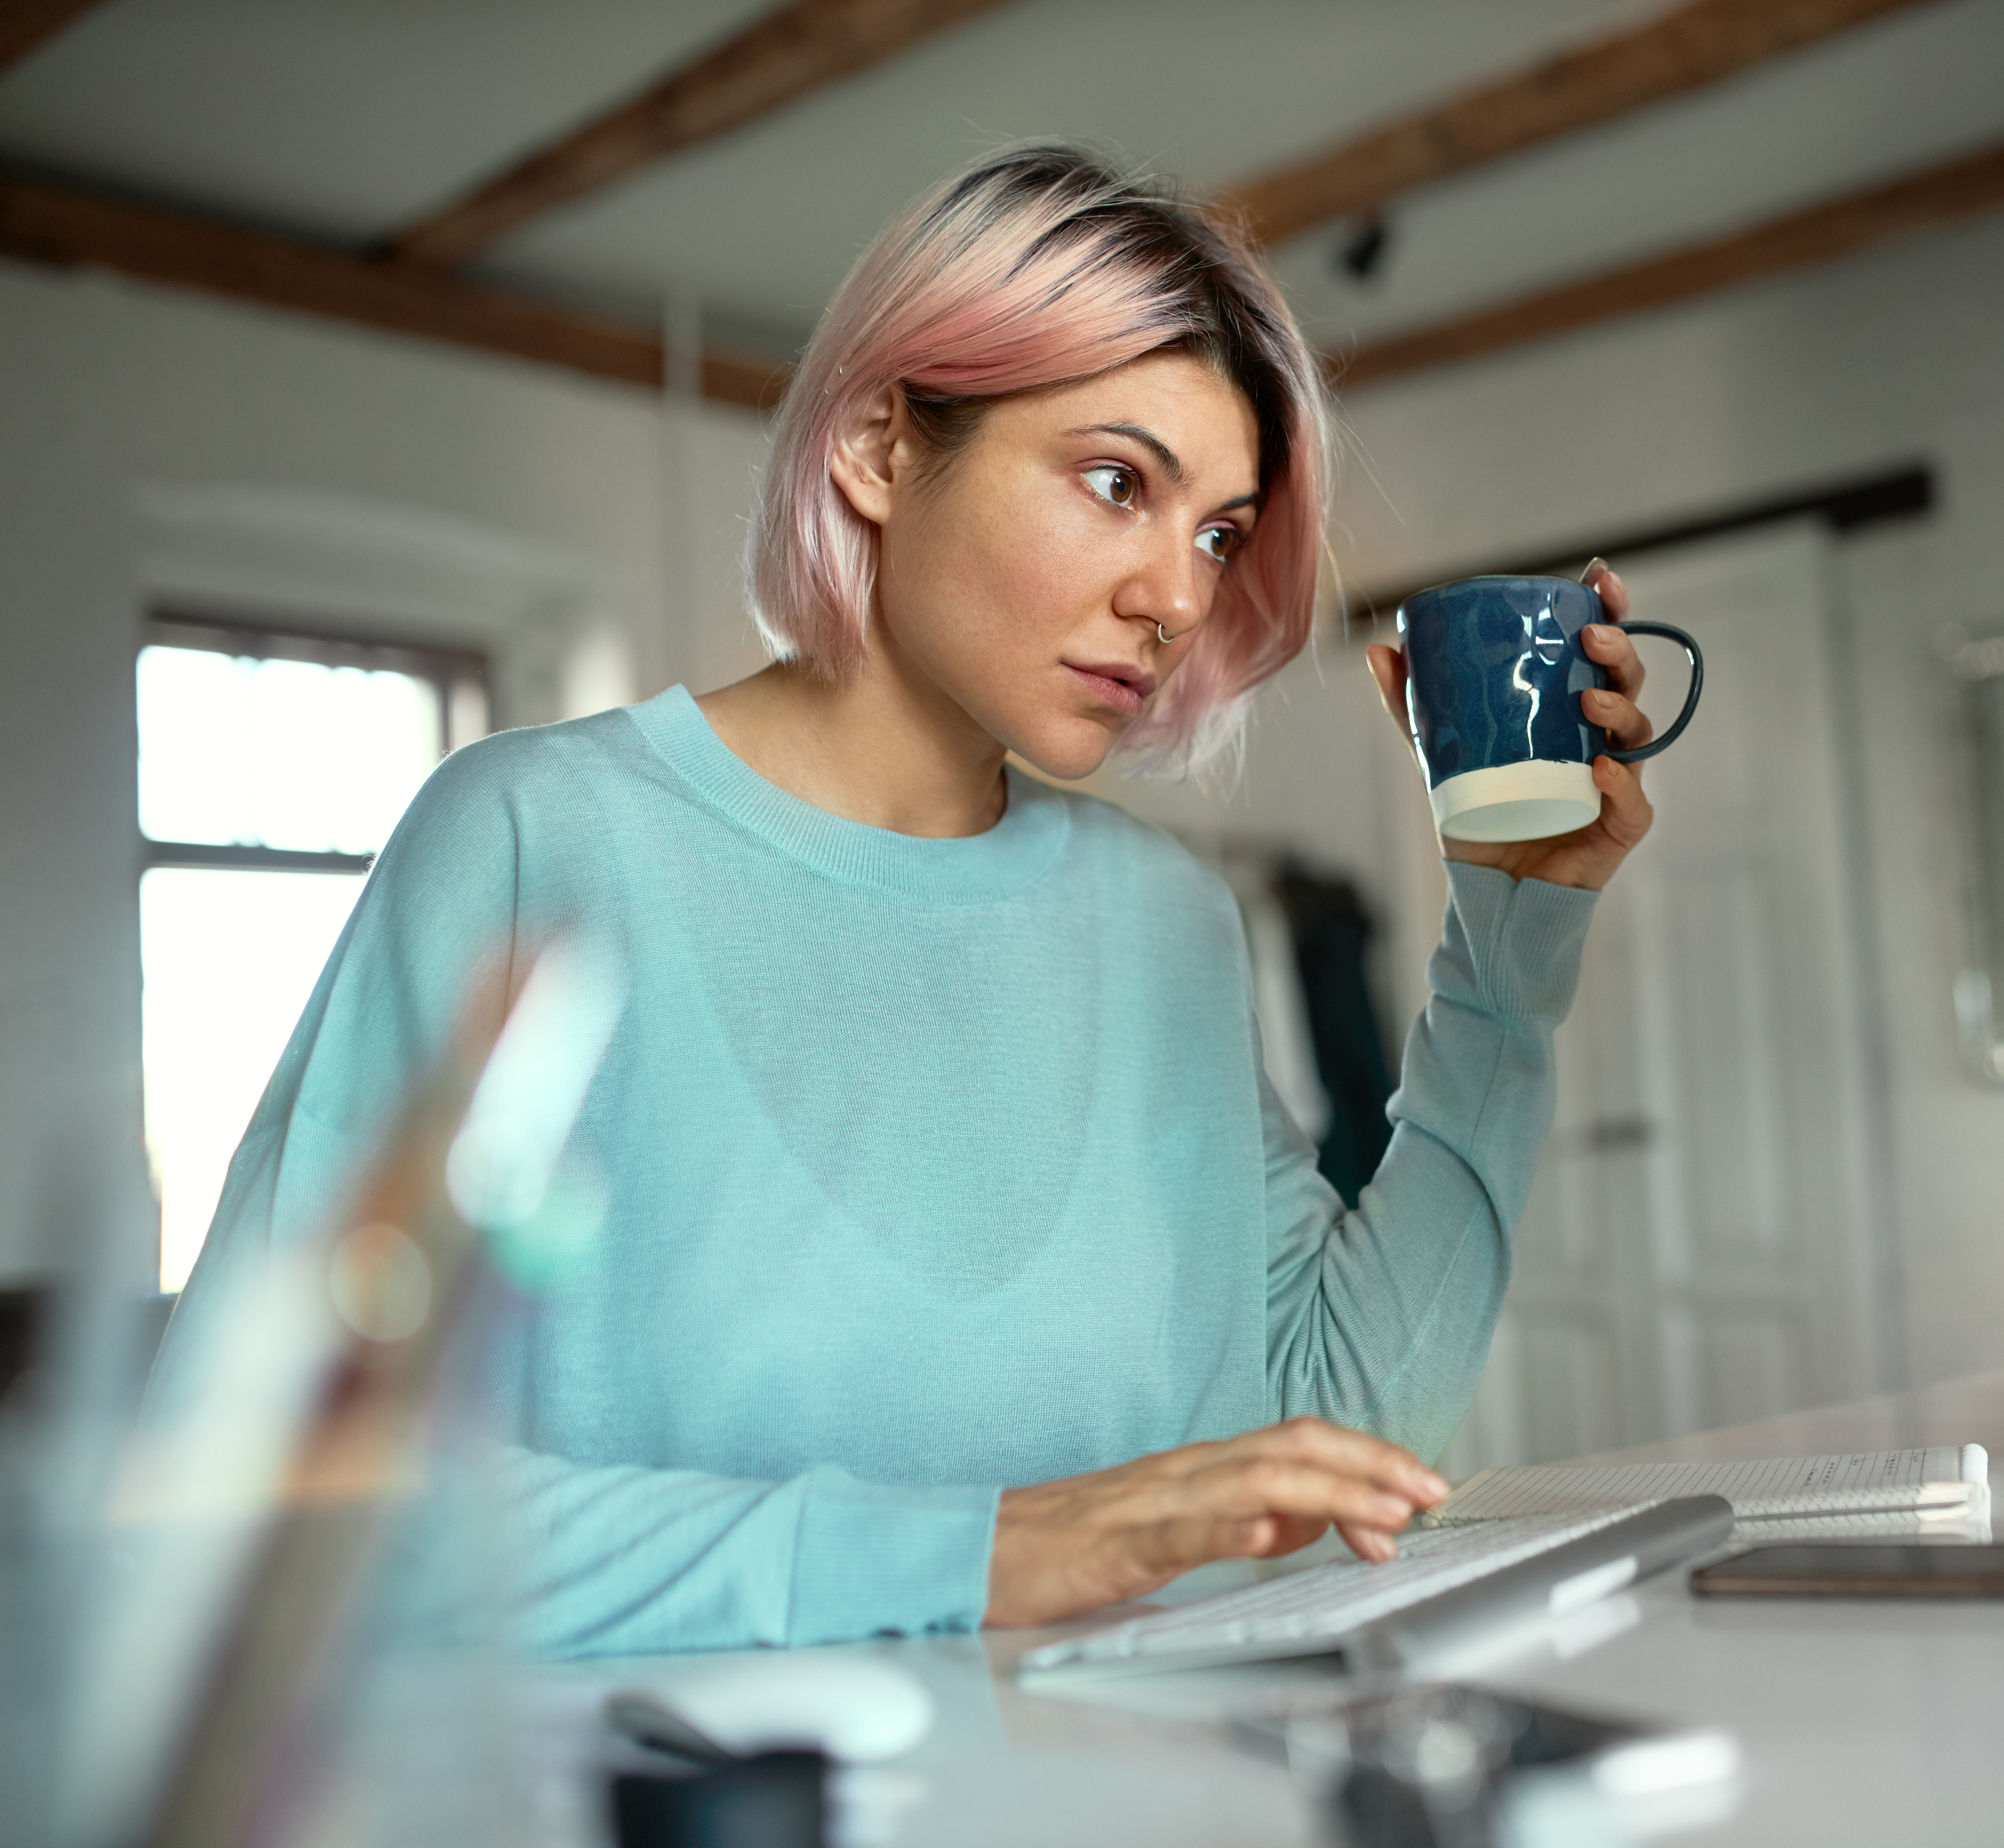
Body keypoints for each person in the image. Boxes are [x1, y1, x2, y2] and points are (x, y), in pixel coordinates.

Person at [153, 146, 1665, 1656]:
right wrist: (980, 1552)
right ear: (880, 446)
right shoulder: (538, 841)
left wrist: (1510, 942)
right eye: (1116, 481)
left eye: (1215, 529)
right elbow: (282, 1487)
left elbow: (1340, 1438)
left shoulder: (1167, 923)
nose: (1182, 599)